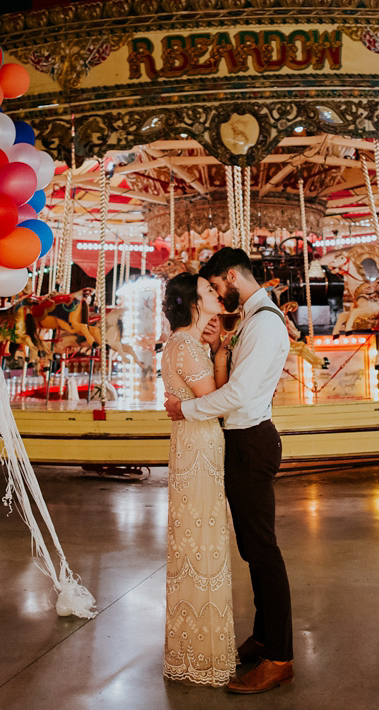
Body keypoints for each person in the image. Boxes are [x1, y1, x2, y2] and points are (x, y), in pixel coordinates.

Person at [165, 247, 294, 694]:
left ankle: (279, 657)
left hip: (251, 441)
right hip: (241, 441)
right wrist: (221, 346)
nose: (218, 296)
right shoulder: (253, 322)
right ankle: (263, 636)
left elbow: (237, 394)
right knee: (252, 550)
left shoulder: (265, 324)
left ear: (232, 275)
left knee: (262, 551)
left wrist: (187, 408)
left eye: (217, 285)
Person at [160, 272, 237, 687]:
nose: (215, 294)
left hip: (188, 443)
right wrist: (220, 356)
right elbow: (213, 404)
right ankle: (205, 653)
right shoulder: (187, 347)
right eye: (208, 291)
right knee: (204, 542)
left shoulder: (181, 344)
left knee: (193, 539)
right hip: (201, 444)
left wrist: (217, 350)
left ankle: (190, 645)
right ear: (193, 302)